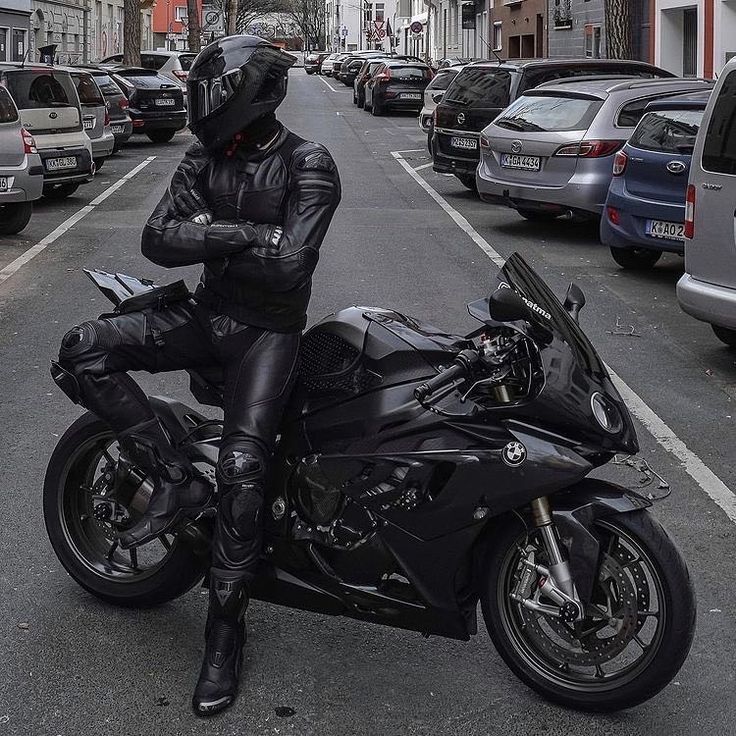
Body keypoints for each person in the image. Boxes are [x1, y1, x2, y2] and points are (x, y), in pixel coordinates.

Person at [55, 35, 341, 715]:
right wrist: (244, 234)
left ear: (250, 92)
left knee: (245, 471)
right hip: (207, 314)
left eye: (213, 94)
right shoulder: (204, 156)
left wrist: (212, 229)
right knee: (81, 348)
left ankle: (224, 635)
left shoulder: (311, 162)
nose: (202, 106)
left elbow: (292, 266)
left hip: (267, 336)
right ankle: (179, 479)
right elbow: (157, 239)